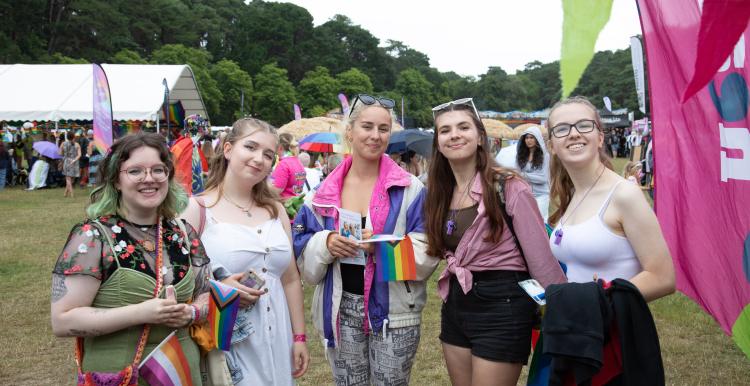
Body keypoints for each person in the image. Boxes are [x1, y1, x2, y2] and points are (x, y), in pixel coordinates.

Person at [293, 94, 439, 385]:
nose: (375, 136)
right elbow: (301, 256)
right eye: (367, 127)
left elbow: (430, 249)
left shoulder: (409, 189)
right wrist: (326, 243)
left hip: (394, 313)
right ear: (350, 131)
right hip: (340, 309)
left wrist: (382, 249)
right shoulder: (322, 194)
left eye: (383, 129)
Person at [425, 98, 566, 386]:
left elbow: (539, 257)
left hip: (503, 305)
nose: (455, 135)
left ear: (480, 137)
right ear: (438, 143)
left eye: (463, 127)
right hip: (456, 304)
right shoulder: (439, 192)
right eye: (445, 130)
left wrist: (565, 312)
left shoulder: (508, 186)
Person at [50, 132, 211, 385]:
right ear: (116, 180)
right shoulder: (92, 238)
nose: (149, 179)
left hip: (181, 371)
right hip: (119, 374)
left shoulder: (182, 233)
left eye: (158, 170)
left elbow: (205, 294)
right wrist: (141, 313)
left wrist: (191, 313)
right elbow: (62, 321)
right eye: (135, 171)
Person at [181, 118, 309, 385]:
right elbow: (178, 281)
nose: (259, 159)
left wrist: (299, 337)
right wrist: (219, 287)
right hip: (230, 338)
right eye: (250, 147)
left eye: (268, 154)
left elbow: (290, 279)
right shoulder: (198, 210)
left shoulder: (276, 211)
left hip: (277, 337)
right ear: (228, 149)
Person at [547, 96, 675, 301]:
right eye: (562, 129)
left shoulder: (624, 194)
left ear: (600, 138)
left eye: (584, 125)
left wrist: (598, 300)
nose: (573, 133)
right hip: (574, 327)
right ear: (552, 145)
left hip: (613, 328)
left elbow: (662, 278)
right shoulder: (573, 194)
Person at [513, 126, 550, 221]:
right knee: (527, 222)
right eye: (526, 137)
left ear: (537, 139)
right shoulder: (520, 156)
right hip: (525, 194)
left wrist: (523, 175)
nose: (528, 140)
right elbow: (516, 174)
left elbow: (543, 178)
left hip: (541, 195)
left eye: (531, 137)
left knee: (540, 221)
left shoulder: (545, 156)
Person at [269, 133, 306, 200]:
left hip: (285, 204)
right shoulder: (298, 162)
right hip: (295, 203)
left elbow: (276, 191)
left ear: (280, 147)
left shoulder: (283, 164)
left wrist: (262, 185)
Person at [60, 131, 81, 197]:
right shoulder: (77, 144)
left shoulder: (63, 143)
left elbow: (60, 153)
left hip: (67, 161)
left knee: (68, 179)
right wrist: (74, 160)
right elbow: (79, 155)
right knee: (70, 179)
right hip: (75, 162)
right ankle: (65, 193)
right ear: (74, 137)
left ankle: (72, 194)